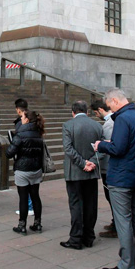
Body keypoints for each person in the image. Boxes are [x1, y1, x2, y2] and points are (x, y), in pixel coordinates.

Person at [93, 89, 135, 269]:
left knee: (123, 221)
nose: (110, 110)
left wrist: (101, 145)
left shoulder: (123, 119)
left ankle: (126, 266)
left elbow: (117, 148)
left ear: (116, 101)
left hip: (121, 177)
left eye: (110, 106)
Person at [59, 101, 103, 248]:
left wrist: (83, 163)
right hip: (92, 172)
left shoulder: (68, 125)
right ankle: (88, 236)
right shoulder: (97, 125)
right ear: (87, 112)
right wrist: (90, 162)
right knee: (91, 204)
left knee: (76, 205)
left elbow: (68, 149)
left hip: (74, 172)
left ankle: (76, 238)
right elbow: (102, 148)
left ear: (73, 112)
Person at [6, 108, 46, 234]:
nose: (21, 120)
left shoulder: (20, 135)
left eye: (22, 117)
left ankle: (22, 225)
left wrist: (11, 143)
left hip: (22, 169)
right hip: (36, 168)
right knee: (35, 196)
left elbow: (9, 153)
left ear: (27, 120)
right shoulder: (39, 134)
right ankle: (37, 224)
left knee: (23, 198)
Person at [91, 100, 117, 239]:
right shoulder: (114, 121)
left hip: (109, 167)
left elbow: (106, 147)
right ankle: (116, 223)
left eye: (96, 113)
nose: (96, 116)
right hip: (110, 166)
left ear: (101, 109)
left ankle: (117, 226)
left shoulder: (109, 124)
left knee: (111, 197)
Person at [13, 98, 34, 216]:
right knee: (32, 186)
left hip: (24, 158)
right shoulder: (35, 120)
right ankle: (31, 207)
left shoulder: (21, 124)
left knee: (24, 186)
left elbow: (18, 142)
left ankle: (28, 207)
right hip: (34, 158)